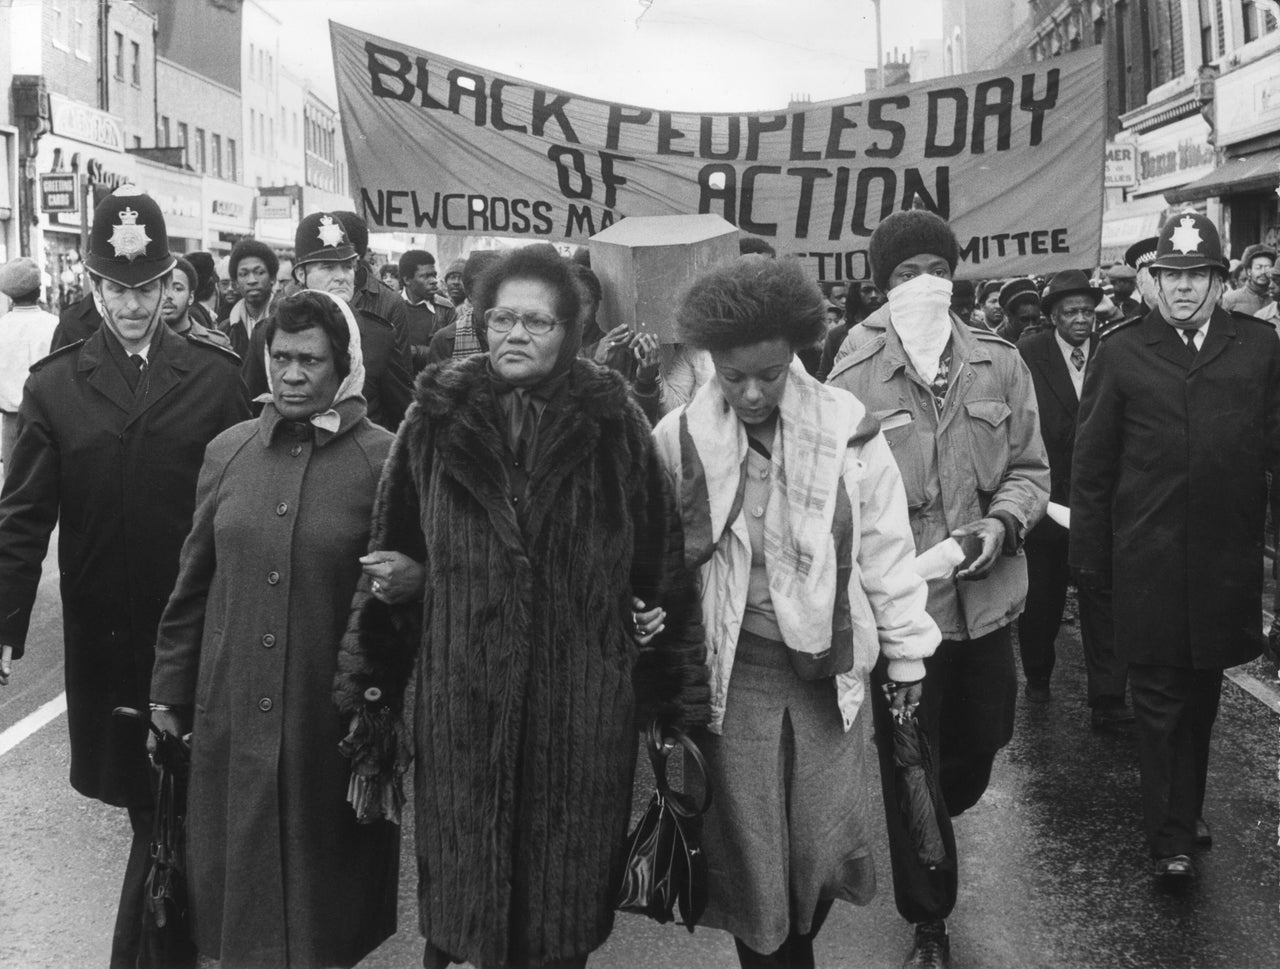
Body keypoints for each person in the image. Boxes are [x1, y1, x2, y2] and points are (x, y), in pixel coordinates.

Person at [332, 245, 710, 969]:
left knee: (560, 916)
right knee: (457, 907)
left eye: (537, 322)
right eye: (502, 317)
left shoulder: (614, 422)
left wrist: (670, 697)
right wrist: (372, 688)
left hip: (580, 714)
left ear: (570, 330)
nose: (515, 334)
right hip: (461, 705)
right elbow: (390, 553)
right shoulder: (434, 415)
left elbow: (660, 564)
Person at [652, 258, 940, 968]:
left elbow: (886, 551)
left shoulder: (850, 431)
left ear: (799, 356)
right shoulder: (675, 439)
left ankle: (795, 942)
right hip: (732, 682)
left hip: (825, 677)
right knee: (753, 865)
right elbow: (654, 557)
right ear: (709, 359)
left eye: (771, 374)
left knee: (814, 855)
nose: (752, 392)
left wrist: (906, 658)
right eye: (733, 374)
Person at [0, 187, 250, 969]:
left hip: (201, 635)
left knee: (172, 809)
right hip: (107, 639)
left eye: (146, 287)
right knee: (158, 811)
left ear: (169, 281)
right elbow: (21, 520)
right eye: (116, 287)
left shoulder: (217, 380)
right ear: (93, 285)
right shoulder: (56, 386)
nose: (133, 304)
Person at [149, 290, 399, 967]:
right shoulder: (229, 451)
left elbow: (405, 596)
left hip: (327, 725)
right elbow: (193, 583)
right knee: (239, 903)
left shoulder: (385, 461)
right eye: (280, 356)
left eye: (310, 360)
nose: (291, 374)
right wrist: (168, 693)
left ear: (343, 366)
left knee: (322, 910)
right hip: (230, 710)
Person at [827, 209, 1049, 969]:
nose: (920, 285)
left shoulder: (1000, 362)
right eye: (902, 274)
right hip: (903, 618)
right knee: (911, 767)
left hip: (985, 611)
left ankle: (933, 825)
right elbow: (837, 495)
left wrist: (1003, 525)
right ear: (880, 287)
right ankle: (929, 919)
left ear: (953, 276)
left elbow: (1030, 468)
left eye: (933, 269)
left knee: (975, 753)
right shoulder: (852, 375)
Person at [1070, 212, 1280, 882]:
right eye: (1172, 275)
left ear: (1221, 283)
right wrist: (1089, 563)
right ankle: (1170, 839)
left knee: (1203, 693)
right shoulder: (1123, 351)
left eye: (1198, 275)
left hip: (1225, 560)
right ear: (1153, 283)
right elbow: (1092, 467)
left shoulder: (1259, 348)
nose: (1184, 287)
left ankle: (1185, 809)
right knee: (1157, 699)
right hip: (1148, 561)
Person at [1016, 270, 1131, 725]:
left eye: (1087, 310)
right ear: (1052, 317)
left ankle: (1108, 698)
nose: (1081, 320)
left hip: (1101, 500)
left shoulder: (1113, 349)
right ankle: (1039, 677)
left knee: (1102, 599)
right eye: (1070, 313)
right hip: (1049, 498)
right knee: (1042, 600)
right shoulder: (1029, 354)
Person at [243, 211, 414, 432]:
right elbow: (252, 412)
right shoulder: (267, 334)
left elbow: (403, 417)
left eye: (347, 266)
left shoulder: (379, 336)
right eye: (327, 267)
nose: (342, 276)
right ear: (301, 275)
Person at [0, 258, 59, 473]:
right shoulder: (54, 325)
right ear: (38, 290)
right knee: (47, 484)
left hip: (10, 422)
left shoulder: (2, 327)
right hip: (48, 421)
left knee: (13, 490)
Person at [423, 249, 501, 365]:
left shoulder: (520, 335)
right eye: (485, 290)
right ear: (469, 293)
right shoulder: (445, 341)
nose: (494, 297)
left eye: (498, 288)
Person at [398, 249, 455, 371]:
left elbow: (451, 354)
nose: (434, 281)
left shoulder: (446, 309)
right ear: (407, 280)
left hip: (433, 383)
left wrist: (416, 352)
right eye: (425, 276)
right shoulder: (391, 305)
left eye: (434, 275)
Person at [163, 256, 234, 351]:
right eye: (163, 289)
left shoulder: (217, 343)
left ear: (191, 297)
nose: (168, 295)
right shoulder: (142, 343)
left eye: (178, 289)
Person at [221, 238, 277, 358]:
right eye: (244, 274)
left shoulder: (289, 319)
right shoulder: (226, 330)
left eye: (259, 272)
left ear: (273, 278)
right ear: (235, 283)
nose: (252, 280)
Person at [1221, 243, 1276, 316]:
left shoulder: (1275, 299)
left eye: (1267, 267)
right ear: (1249, 271)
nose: (1263, 272)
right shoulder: (1231, 300)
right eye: (1258, 267)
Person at [996, 278, 1045, 343]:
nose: (1031, 325)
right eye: (1024, 320)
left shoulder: (1045, 335)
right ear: (1008, 315)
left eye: (1035, 319)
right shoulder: (997, 341)